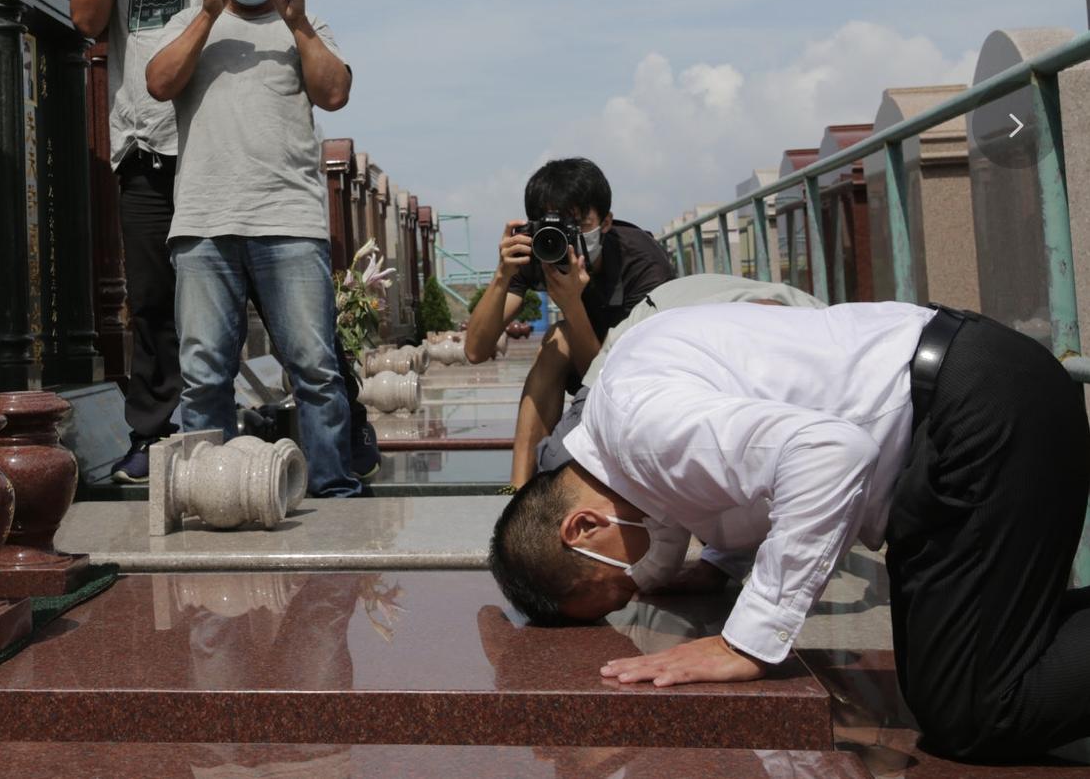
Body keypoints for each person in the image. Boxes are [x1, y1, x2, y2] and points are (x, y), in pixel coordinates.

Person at [489, 301, 1090, 762]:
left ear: (583, 526)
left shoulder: (641, 423)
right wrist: (717, 564)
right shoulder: (621, 425)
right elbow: (723, 477)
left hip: (980, 413)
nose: (637, 586)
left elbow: (831, 452)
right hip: (958, 408)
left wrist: (745, 642)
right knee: (945, 675)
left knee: (973, 712)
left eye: (620, 585)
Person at [68, 0, 319, 483]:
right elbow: (86, 20)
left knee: (279, 298)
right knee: (151, 303)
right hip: (146, 155)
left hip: (216, 152)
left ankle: (336, 431)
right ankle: (155, 439)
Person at [143, 0, 361, 499]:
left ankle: (335, 494)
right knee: (203, 376)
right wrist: (208, 14)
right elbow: (158, 82)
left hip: (289, 220)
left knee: (315, 371)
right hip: (204, 221)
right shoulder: (190, 20)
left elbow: (335, 92)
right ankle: (211, 497)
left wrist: (297, 21)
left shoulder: (305, 24)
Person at [463, 158, 675, 487]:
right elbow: (476, 350)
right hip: (586, 362)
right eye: (555, 225)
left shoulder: (642, 262)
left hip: (639, 378)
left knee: (563, 333)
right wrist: (502, 275)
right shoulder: (538, 249)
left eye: (577, 224)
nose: (563, 237)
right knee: (557, 340)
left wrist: (572, 304)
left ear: (606, 222)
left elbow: (617, 380)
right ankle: (518, 493)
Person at [531, 272, 825, 477]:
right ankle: (515, 489)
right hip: (635, 353)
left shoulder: (643, 262)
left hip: (671, 350)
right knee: (561, 460)